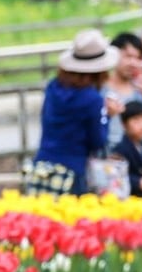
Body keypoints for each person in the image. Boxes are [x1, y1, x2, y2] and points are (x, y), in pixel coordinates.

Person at [34, 29, 118, 196]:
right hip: (72, 171)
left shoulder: (53, 87)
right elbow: (98, 141)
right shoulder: (92, 99)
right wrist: (108, 115)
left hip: (42, 165)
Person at [102, 31, 142, 147]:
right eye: (128, 56)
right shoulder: (100, 90)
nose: (133, 63)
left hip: (139, 160)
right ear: (113, 55)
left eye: (138, 58)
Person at [109, 100, 142, 198]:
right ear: (124, 124)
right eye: (136, 120)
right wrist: (138, 182)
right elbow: (116, 176)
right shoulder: (120, 149)